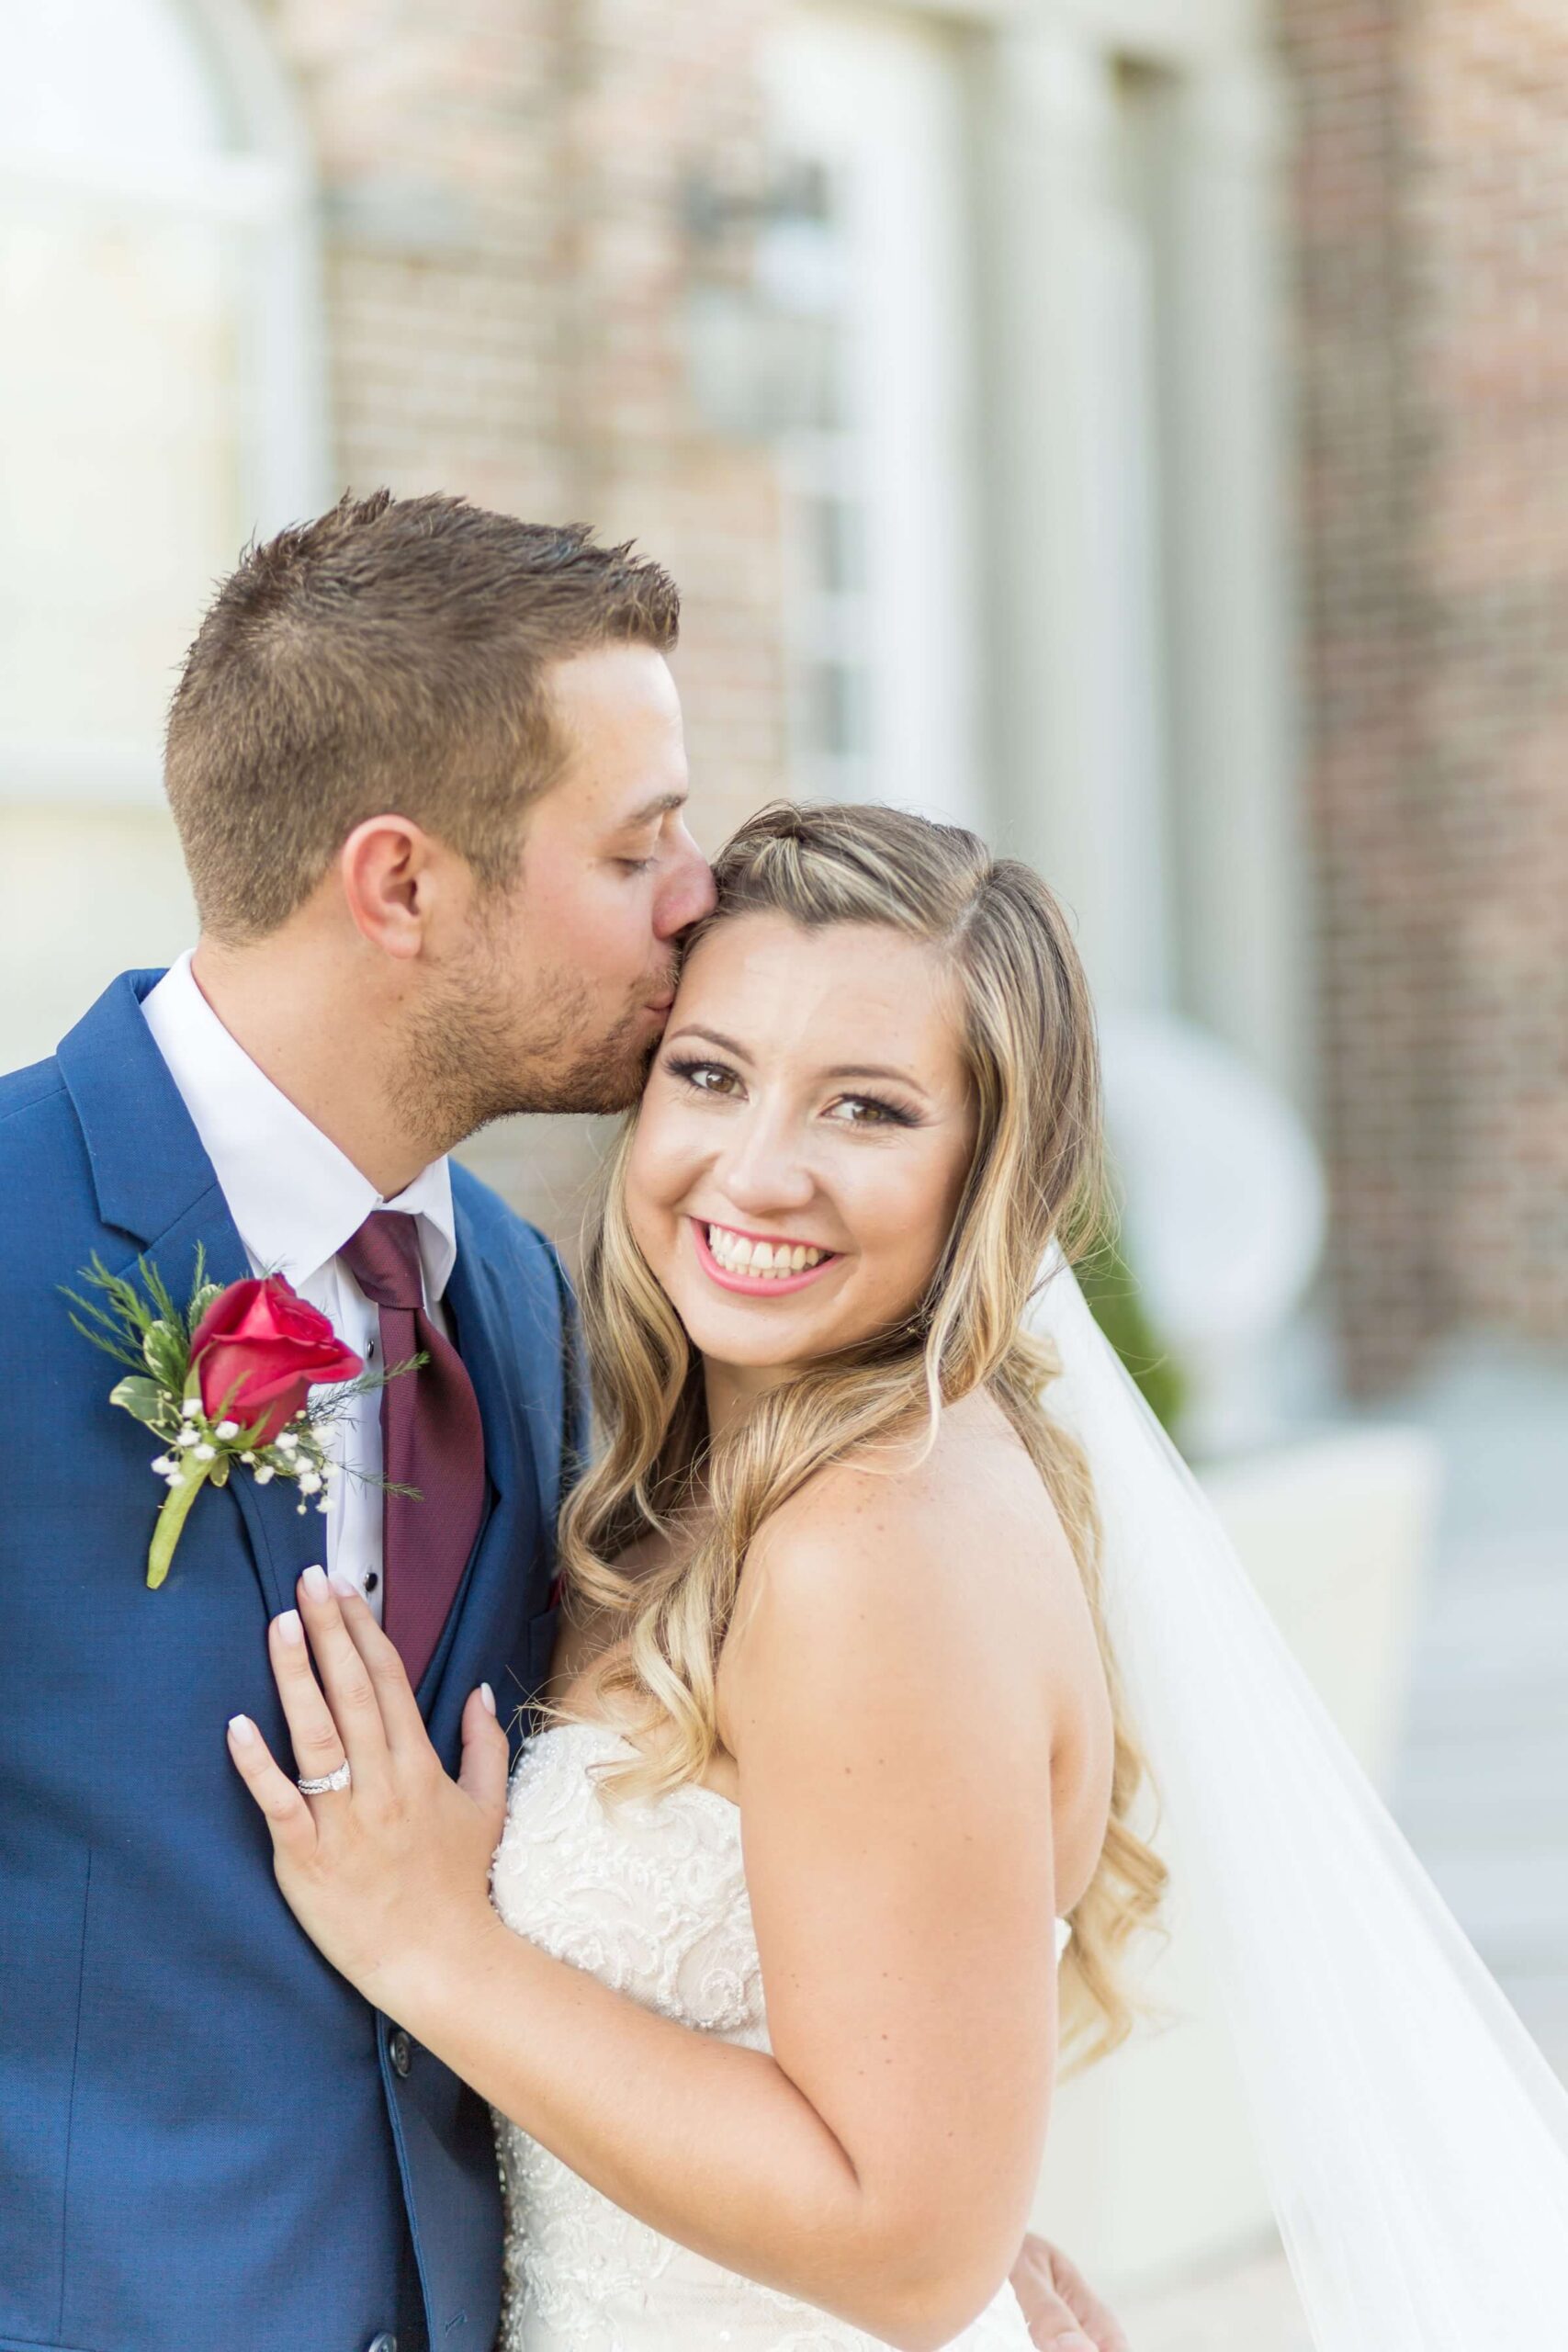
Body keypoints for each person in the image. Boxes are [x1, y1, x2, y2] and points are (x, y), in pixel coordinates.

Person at [0, 495, 1121, 2352]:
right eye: (636, 843)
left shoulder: (524, 1304)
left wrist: (939, 2197)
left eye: (863, 1105)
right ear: (403, 885)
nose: (697, 895)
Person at [224, 799, 1164, 2348]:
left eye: (866, 1111)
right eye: (711, 1076)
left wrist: (430, 1946)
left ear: (985, 1174)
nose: (759, 1169)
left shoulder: (870, 1544)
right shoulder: (716, 1476)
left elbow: (908, 2251)